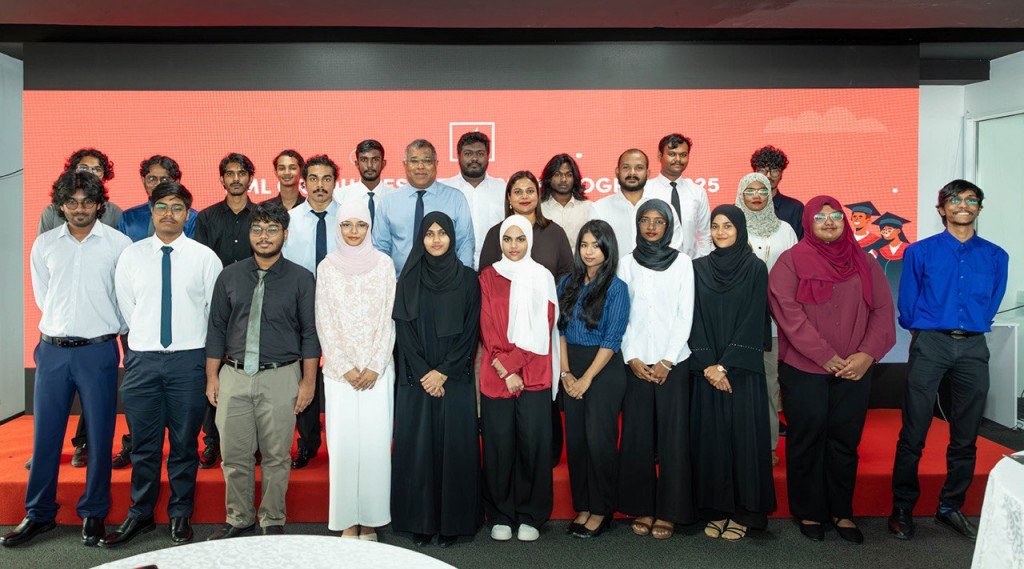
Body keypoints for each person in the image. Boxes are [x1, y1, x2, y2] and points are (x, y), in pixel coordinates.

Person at [2, 172, 131, 549]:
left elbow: (124, 298)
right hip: (53, 351)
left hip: (98, 351)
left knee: (101, 436)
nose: (79, 209)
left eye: (87, 202)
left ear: (99, 205)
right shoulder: (45, 245)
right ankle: (39, 513)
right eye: (71, 202)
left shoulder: (119, 244)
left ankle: (94, 513)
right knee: (46, 436)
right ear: (60, 205)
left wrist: (99, 329)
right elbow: (44, 298)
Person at [768, 195, 895, 544]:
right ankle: (809, 511)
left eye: (836, 216)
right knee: (806, 438)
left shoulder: (864, 261)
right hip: (805, 367)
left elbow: (883, 311)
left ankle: (841, 510)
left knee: (845, 440)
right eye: (820, 217)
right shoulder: (790, 260)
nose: (829, 222)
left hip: (854, 369)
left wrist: (867, 355)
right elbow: (787, 312)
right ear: (808, 222)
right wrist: (823, 355)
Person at [101, 182, 221, 547]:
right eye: (162, 207)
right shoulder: (131, 256)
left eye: (177, 207)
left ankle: (180, 513)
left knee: (185, 444)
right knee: (144, 445)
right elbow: (128, 308)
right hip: (143, 361)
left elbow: (213, 314)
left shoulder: (205, 258)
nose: (169, 214)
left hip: (189, 361)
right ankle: (140, 514)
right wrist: (149, 340)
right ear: (151, 212)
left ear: (187, 214)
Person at [889, 180, 1008, 542]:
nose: (963, 205)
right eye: (955, 199)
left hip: (974, 348)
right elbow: (907, 304)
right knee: (914, 432)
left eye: (971, 200)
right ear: (942, 209)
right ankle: (902, 508)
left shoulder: (996, 255)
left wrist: (969, 324)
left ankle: (950, 507)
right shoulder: (919, 252)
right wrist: (929, 331)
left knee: (966, 435)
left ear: (979, 208)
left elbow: (992, 302)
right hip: (931, 344)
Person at [204, 202, 319, 539]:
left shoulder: (301, 278)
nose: (264, 236)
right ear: (249, 233)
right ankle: (239, 518)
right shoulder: (229, 275)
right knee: (234, 455)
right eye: (257, 229)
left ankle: (271, 519)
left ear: (285, 234)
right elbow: (216, 329)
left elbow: (310, 334)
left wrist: (309, 382)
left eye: (272, 229)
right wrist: (212, 377)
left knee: (277, 456)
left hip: (281, 376)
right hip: (234, 375)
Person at [391, 212, 482, 548]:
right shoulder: (408, 278)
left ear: (452, 237)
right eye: (429, 233)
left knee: (455, 449)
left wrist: (443, 371)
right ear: (421, 239)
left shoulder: (468, 279)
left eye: (442, 233)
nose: (436, 239)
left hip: (454, 377)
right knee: (418, 450)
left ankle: (453, 523)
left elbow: (471, 331)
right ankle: (420, 521)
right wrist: (424, 372)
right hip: (417, 379)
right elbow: (403, 330)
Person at [689, 205, 774, 541]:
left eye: (727, 226)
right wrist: (709, 365)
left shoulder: (755, 268)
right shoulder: (697, 268)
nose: (720, 232)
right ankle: (715, 509)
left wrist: (724, 365)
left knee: (743, 441)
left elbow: (754, 318)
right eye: (715, 226)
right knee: (710, 440)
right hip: (706, 371)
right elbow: (692, 317)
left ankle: (744, 512)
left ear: (740, 229)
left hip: (741, 371)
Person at [316, 201, 397, 541]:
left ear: (369, 227)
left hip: (378, 372)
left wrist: (375, 365)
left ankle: (372, 520)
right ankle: (348, 520)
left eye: (360, 225)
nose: (353, 231)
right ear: (338, 227)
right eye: (347, 224)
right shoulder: (327, 267)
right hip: (340, 375)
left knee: (376, 446)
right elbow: (324, 320)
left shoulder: (384, 264)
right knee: (344, 447)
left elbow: (389, 317)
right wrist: (346, 366)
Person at [616, 199, 695, 540]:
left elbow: (685, 314)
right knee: (638, 437)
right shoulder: (626, 263)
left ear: (668, 226)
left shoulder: (683, 263)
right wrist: (632, 356)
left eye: (658, 221)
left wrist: (666, 360)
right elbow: (622, 313)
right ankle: (643, 506)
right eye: (645, 220)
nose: (651, 227)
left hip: (672, 363)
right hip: (635, 363)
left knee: (673, 439)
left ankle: (670, 510)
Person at [478, 215, 559, 543]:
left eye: (520, 239)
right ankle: (501, 513)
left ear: (530, 241)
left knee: (532, 445)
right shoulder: (488, 276)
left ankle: (531, 514)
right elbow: (486, 325)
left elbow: (545, 323)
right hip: (497, 374)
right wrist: (505, 369)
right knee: (498, 446)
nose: (514, 246)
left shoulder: (542, 276)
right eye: (508, 239)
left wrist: (514, 366)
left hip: (533, 373)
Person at [558, 220, 630, 539]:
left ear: (608, 249)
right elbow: (559, 330)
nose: (589, 251)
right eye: (584, 245)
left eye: (596, 246)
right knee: (576, 442)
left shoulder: (616, 287)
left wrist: (585, 378)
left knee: (599, 442)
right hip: (570, 367)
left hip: (603, 370)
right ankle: (584, 506)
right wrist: (565, 373)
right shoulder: (566, 282)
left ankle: (601, 510)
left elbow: (612, 339)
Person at [194, 152, 258, 469]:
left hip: (255, 305)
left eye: (241, 173)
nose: (235, 179)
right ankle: (212, 442)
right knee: (214, 374)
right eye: (230, 173)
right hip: (216, 305)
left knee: (252, 374)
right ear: (221, 179)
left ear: (250, 178)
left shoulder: (261, 216)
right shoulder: (206, 218)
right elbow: (200, 263)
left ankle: (254, 444)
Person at [281, 154, 340, 469]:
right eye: (314, 179)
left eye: (326, 179)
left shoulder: (348, 218)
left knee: (340, 373)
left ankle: (342, 442)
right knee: (304, 374)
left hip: (341, 309)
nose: (320, 185)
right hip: (300, 308)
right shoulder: (289, 220)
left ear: (335, 182)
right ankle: (307, 443)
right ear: (304, 183)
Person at [735, 173, 798, 465]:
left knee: (770, 386)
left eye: (762, 190)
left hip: (774, 323)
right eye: (749, 190)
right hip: (737, 323)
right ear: (741, 194)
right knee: (737, 386)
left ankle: (768, 445)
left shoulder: (785, 230)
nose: (757, 195)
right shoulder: (730, 227)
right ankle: (738, 446)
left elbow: (796, 274)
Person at [374, 139, 475, 275]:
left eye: (427, 161)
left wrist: (463, 278)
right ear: (405, 164)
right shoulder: (388, 201)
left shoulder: (455, 199)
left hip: (445, 281)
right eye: (414, 161)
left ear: (436, 164)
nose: (420, 166)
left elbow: (465, 244)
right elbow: (380, 248)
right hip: (400, 281)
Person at [478, 170, 573, 279]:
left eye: (530, 191)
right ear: (509, 197)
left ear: (538, 195)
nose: (524, 196)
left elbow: (568, 275)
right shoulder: (495, 233)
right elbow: (485, 277)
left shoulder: (555, 232)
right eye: (518, 192)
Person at [589, 149, 681, 258]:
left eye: (639, 168)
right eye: (626, 167)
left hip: (657, 269)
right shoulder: (599, 209)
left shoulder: (665, 208)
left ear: (647, 173)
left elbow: (674, 249)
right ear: (617, 171)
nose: (632, 173)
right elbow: (593, 251)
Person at [442, 132, 506, 270]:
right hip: (454, 270)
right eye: (468, 153)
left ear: (488, 156)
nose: (474, 158)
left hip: (497, 270)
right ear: (458, 156)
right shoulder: (444, 191)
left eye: (480, 154)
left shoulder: (503, 190)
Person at [645, 134, 711, 259]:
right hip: (654, 263)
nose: (678, 159)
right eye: (672, 154)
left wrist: (704, 263)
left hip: (692, 263)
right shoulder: (646, 191)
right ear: (660, 156)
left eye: (683, 155)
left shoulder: (697, 192)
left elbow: (705, 233)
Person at [38, 148, 123, 234]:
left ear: (104, 175)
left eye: (97, 169)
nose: (90, 173)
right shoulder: (51, 213)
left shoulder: (114, 213)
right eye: (83, 168)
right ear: (72, 171)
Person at [118, 155, 198, 243]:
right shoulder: (128, 217)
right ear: (143, 180)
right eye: (152, 179)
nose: (158, 184)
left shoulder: (192, 218)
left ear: (176, 181)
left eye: (165, 179)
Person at [334, 140, 396, 226]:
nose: (369, 165)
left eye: (375, 159)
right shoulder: (341, 197)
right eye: (364, 160)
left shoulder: (395, 196)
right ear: (357, 164)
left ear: (383, 163)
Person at [539, 154, 592, 252]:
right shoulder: (539, 208)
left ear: (575, 179)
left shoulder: (588, 208)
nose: (563, 179)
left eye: (568, 175)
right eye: (558, 174)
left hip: (578, 261)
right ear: (549, 178)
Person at [751, 146, 803, 240]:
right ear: (754, 173)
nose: (768, 175)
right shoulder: (740, 208)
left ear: (781, 174)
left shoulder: (795, 208)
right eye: (762, 170)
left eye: (774, 170)